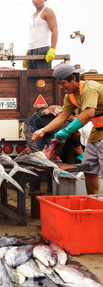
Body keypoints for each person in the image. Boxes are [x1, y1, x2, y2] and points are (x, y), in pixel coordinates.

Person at [32, 64, 103, 194]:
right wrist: (43, 131)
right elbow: (62, 117)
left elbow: (88, 114)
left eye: (63, 83)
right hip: (97, 132)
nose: (61, 87)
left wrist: (67, 130)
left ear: (74, 78)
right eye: (59, 84)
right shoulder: (70, 96)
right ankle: (94, 201)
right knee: (89, 169)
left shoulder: (89, 88)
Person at [23, 0, 58, 69]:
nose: (36, 0)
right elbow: (33, 36)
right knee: (30, 79)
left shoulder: (48, 11)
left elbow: (55, 31)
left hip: (42, 49)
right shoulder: (32, 15)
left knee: (42, 78)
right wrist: (27, 54)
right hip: (31, 51)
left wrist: (52, 49)